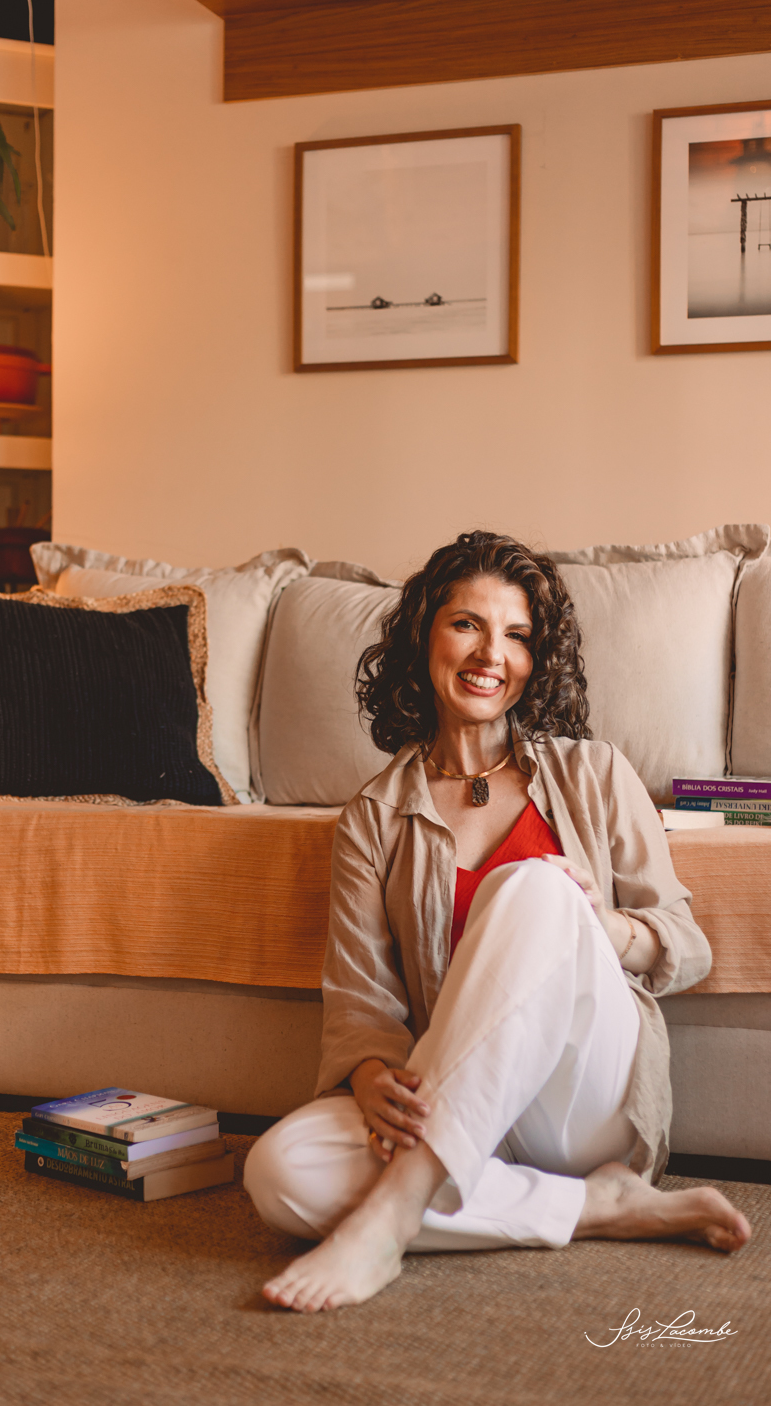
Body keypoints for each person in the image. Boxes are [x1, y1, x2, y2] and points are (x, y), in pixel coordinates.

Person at [243, 531, 750, 1313]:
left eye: (517, 635)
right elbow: (360, 1000)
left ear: (536, 658)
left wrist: (597, 925)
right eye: (467, 625)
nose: (491, 654)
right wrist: (371, 1076)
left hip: (583, 1104)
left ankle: (392, 1216)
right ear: (425, 635)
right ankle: (597, 1206)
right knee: (279, 1172)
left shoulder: (595, 773)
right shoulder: (374, 817)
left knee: (537, 888)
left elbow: (686, 944)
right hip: (457, 1102)